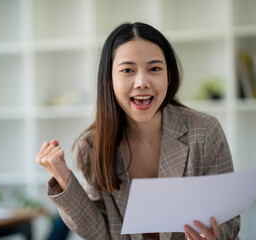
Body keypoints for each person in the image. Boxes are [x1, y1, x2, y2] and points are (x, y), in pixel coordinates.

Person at [36, 22, 240, 240]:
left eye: (154, 69)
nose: (142, 82)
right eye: (127, 70)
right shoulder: (90, 148)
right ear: (110, 80)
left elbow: (229, 221)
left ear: (168, 76)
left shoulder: (205, 131)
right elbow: (99, 234)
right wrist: (64, 177)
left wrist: (214, 236)